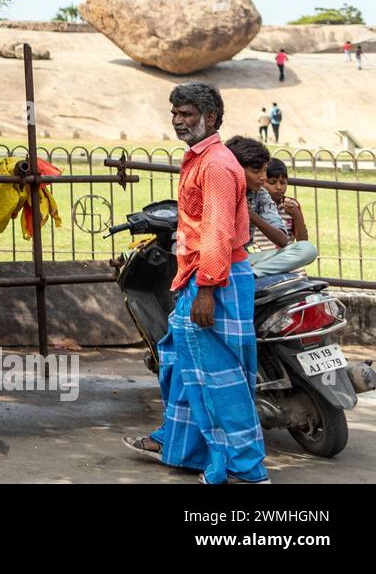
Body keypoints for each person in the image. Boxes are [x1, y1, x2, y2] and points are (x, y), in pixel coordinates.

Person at [122, 82, 268, 484]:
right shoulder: (199, 158)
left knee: (221, 379)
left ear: (211, 118)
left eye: (186, 113)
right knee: (181, 364)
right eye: (175, 113)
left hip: (215, 280)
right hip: (198, 276)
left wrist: (206, 289)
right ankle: (183, 448)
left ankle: (246, 471)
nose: (178, 121)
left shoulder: (217, 165)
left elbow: (218, 232)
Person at [224, 137, 316, 276]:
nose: (262, 177)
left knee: (307, 250)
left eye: (264, 171)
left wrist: (251, 215)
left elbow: (282, 240)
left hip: (243, 260)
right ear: (237, 170)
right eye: (256, 172)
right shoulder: (222, 190)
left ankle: (253, 274)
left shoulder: (260, 195)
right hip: (216, 258)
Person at [255, 158, 318, 276]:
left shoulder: (291, 205)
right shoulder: (254, 204)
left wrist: (297, 216)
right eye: (272, 183)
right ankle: (255, 273)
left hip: (285, 258)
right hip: (262, 257)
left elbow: (302, 241)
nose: (279, 187)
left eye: (283, 183)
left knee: (308, 249)